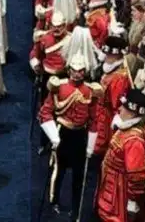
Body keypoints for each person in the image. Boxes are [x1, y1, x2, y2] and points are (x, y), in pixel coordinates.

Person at [38, 54, 100, 219]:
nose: (77, 74)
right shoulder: (59, 87)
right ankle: (54, 200)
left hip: (80, 135)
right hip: (62, 132)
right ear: (69, 70)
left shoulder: (90, 91)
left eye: (80, 71)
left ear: (85, 71)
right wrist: (53, 136)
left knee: (79, 174)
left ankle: (76, 205)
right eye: (74, 70)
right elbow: (45, 112)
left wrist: (90, 146)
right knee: (59, 170)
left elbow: (93, 119)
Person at [94, 89, 145, 222]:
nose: (119, 109)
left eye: (123, 107)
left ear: (132, 112)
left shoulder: (134, 141)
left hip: (119, 193)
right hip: (110, 185)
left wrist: (132, 200)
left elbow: (136, 175)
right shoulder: (124, 128)